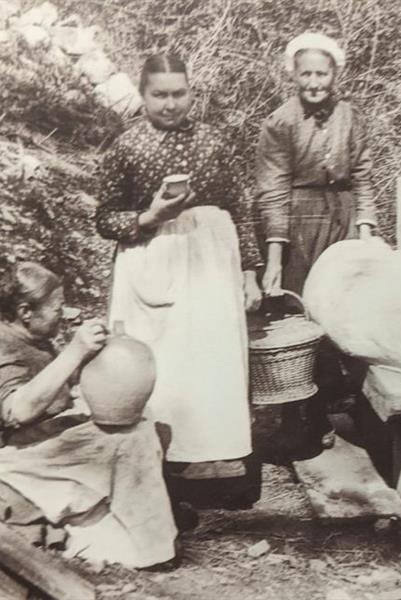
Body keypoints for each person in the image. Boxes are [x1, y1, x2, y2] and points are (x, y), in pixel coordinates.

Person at [95, 53, 262, 509]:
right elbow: (105, 218)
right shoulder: (127, 147)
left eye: (179, 93)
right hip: (151, 260)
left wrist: (250, 271)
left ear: (192, 92)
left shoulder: (216, 141)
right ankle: (158, 468)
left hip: (211, 261)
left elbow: (240, 208)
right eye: (159, 94)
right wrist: (149, 216)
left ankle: (217, 470)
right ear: (143, 95)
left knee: (213, 362)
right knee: (160, 364)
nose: (170, 104)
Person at [0, 260, 177, 568]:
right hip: (15, 460)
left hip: (42, 448)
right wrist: (75, 351)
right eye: (57, 308)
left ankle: (145, 529)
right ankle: (151, 547)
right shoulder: (4, 344)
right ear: (26, 312)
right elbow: (17, 410)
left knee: (142, 423)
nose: (63, 313)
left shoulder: (36, 340)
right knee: (126, 440)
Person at [253, 32, 378, 455]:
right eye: (305, 73)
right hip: (297, 223)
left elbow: (362, 173)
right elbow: (272, 192)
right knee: (301, 318)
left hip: (341, 218)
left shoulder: (351, 116)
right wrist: (274, 256)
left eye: (321, 73)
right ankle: (301, 419)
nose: (313, 82)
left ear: (335, 74)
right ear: (293, 74)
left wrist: (366, 227)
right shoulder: (279, 123)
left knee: (349, 310)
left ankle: (350, 404)